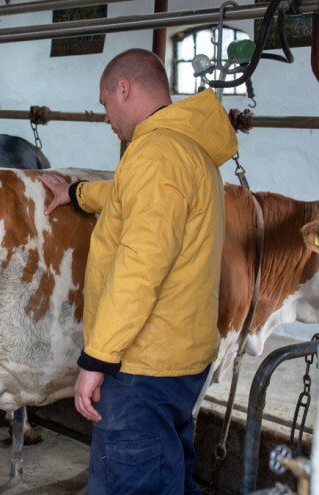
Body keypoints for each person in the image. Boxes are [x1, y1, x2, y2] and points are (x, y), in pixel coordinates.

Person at [38, 48, 237, 494]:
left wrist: (97, 359)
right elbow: (132, 200)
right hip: (179, 360)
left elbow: (140, 267)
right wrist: (78, 193)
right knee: (169, 475)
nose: (106, 117)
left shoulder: (156, 154)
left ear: (124, 89)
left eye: (105, 103)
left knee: (131, 482)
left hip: (143, 368)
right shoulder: (186, 150)